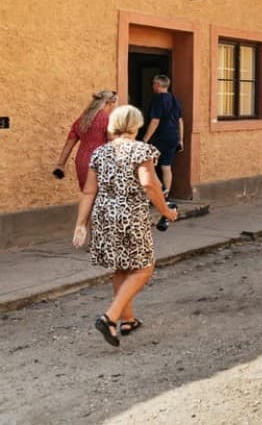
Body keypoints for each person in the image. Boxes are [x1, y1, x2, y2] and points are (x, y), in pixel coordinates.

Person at [72, 104, 178, 347]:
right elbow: (149, 185)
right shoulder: (142, 150)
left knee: (122, 268)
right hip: (130, 215)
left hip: (104, 216)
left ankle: (127, 319)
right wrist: (167, 212)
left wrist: (81, 224)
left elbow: (89, 191)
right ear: (136, 125)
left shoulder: (100, 153)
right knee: (143, 268)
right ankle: (110, 317)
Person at [55, 90, 118, 190]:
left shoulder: (83, 119)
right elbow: (111, 140)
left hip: (82, 162)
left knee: (88, 197)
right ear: (110, 103)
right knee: (103, 199)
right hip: (101, 161)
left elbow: (69, 144)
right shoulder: (108, 119)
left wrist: (60, 164)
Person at [141, 74, 184, 199]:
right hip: (173, 136)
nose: (152, 86)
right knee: (166, 166)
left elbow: (155, 121)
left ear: (158, 85)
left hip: (160, 136)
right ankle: (166, 196)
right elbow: (180, 121)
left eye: (154, 83)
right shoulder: (174, 99)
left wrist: (145, 139)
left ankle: (157, 193)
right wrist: (180, 140)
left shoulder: (158, 99)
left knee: (149, 165)